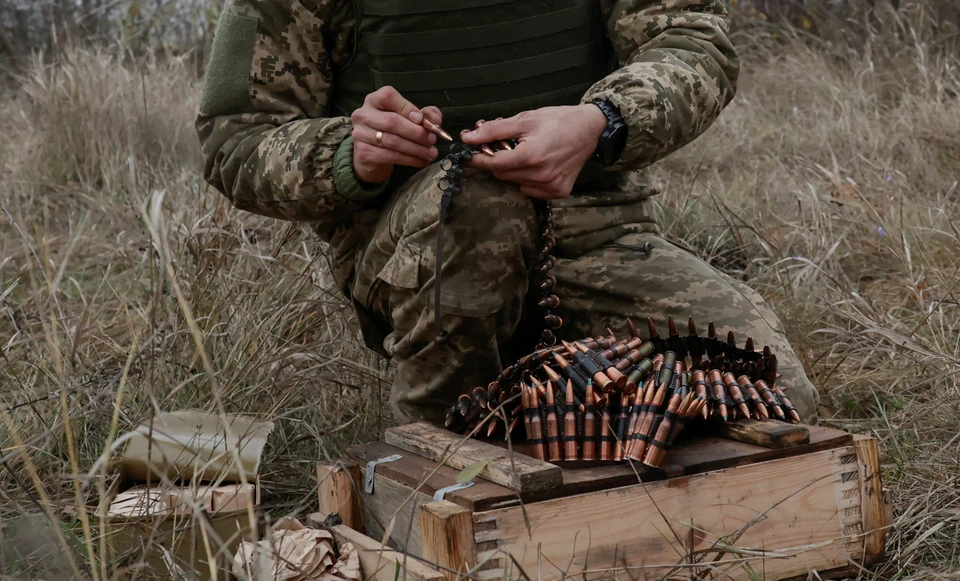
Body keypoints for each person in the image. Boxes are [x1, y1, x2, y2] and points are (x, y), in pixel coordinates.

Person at [197, 0, 819, 426]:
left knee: (775, 398)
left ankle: (571, 434)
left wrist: (599, 123)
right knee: (475, 195)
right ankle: (435, 451)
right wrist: (350, 154)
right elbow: (237, 138)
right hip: (417, 247)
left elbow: (694, 42)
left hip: (597, 233)